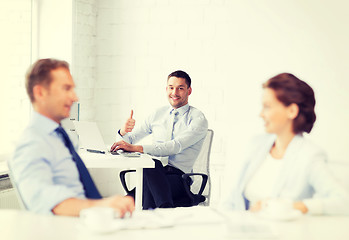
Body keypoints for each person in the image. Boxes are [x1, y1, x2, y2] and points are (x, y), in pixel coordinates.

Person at [9, 58, 134, 216]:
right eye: (66, 89)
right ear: (39, 92)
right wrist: (103, 205)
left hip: (87, 224)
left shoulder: (61, 137)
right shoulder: (31, 143)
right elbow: (49, 202)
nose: (75, 98)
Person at [222, 73, 349, 215]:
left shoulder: (309, 156)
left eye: (267, 107)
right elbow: (233, 197)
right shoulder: (256, 144)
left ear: (292, 111)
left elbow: (343, 202)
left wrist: (291, 206)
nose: (261, 114)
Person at [110, 70, 208, 209]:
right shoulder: (157, 114)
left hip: (179, 178)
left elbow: (175, 146)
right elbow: (129, 141)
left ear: (189, 90)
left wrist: (138, 148)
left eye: (180, 88)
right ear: (166, 89)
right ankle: (164, 210)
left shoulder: (198, 119)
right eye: (171, 87)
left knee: (147, 173)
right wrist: (123, 131)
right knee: (150, 166)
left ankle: (155, 211)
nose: (175, 92)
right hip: (152, 175)